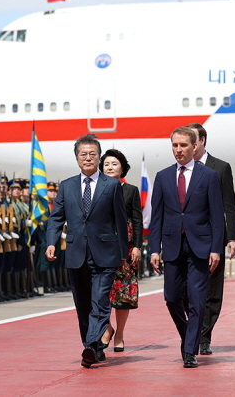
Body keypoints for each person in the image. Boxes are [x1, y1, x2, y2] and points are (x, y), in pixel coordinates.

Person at [46, 134, 128, 369]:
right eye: (84, 154)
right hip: (76, 253)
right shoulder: (67, 185)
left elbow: (120, 223)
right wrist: (51, 241)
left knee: (100, 301)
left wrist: (123, 254)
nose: (88, 158)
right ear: (77, 158)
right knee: (83, 305)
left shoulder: (112, 185)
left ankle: (91, 345)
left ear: (99, 157)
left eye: (93, 154)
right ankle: (94, 348)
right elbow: (56, 218)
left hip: (105, 254)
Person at [148, 126, 224, 368]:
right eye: (175, 145)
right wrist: (154, 249)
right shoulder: (162, 176)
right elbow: (156, 217)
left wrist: (216, 248)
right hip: (171, 246)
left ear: (194, 147)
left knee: (197, 300)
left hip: (200, 246)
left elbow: (216, 215)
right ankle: (187, 336)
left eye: (183, 145)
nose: (178, 150)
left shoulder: (208, 176)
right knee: (171, 298)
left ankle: (189, 351)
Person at [186, 122, 235, 356]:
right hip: (188, 238)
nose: (189, 145)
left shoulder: (221, 168)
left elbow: (229, 205)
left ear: (202, 141)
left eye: (193, 139)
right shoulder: (181, 169)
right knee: (188, 291)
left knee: (212, 292)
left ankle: (204, 336)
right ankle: (192, 332)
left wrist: (233, 237)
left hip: (214, 237)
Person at [98, 149, 142, 353]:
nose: (109, 167)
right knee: (100, 293)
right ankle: (107, 328)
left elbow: (137, 220)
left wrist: (137, 246)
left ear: (123, 167)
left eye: (114, 164)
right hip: (101, 247)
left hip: (125, 248)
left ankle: (120, 334)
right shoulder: (95, 188)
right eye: (106, 164)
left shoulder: (130, 190)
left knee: (122, 293)